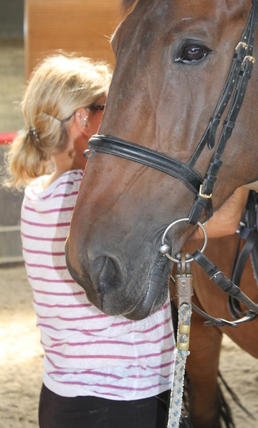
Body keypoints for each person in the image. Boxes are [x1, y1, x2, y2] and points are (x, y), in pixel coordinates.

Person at [2, 53, 174, 428]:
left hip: (64, 395)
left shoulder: (36, 196)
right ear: (83, 119)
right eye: (109, 109)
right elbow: (217, 222)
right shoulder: (96, 199)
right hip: (123, 396)